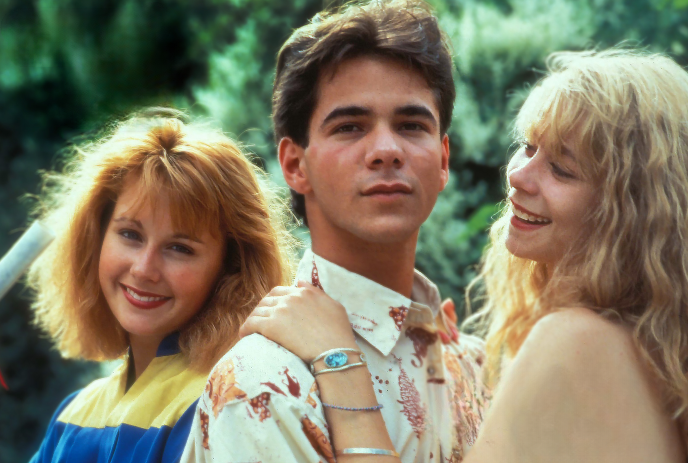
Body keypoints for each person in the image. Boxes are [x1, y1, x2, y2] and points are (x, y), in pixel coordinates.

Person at [241, 49, 688, 462]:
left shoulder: (577, 339)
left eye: (562, 169)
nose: (518, 176)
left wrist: (337, 358)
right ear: (294, 164)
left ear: (631, 210)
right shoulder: (654, 353)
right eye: (529, 147)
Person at [181, 1, 491, 462]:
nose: (386, 150)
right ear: (294, 164)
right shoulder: (263, 385)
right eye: (350, 127)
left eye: (411, 125)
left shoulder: (478, 367)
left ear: (443, 159)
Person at [27, 109, 294, 463]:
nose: (144, 268)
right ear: (95, 237)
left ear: (231, 267)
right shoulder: (73, 413)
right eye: (129, 234)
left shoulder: (229, 401)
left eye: (180, 248)